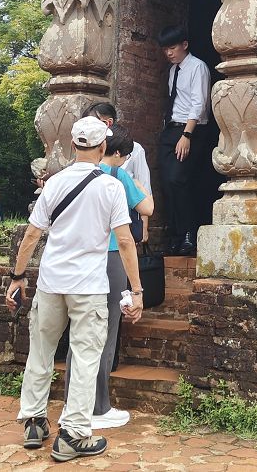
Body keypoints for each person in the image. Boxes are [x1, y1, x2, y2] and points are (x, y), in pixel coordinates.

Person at [6, 116, 144, 462]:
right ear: (102, 147)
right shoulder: (110, 187)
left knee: (41, 350)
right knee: (84, 358)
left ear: (72, 145)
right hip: (89, 286)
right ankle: (74, 434)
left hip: (52, 282)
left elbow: (32, 235)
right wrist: (137, 290)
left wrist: (18, 276)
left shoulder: (54, 184)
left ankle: (34, 421)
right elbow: (125, 242)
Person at [83, 126, 152, 430]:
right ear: (121, 154)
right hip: (111, 254)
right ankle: (99, 405)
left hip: (81, 256)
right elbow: (147, 207)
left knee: (80, 331)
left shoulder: (76, 172)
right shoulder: (116, 175)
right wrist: (137, 182)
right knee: (107, 330)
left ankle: (78, 403)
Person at [156, 24, 212, 256]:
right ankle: (177, 235)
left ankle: (189, 233)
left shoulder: (197, 67)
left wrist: (186, 135)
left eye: (172, 47)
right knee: (166, 183)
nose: (168, 53)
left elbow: (198, 103)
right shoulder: (173, 70)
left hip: (191, 131)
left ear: (184, 45)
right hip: (171, 130)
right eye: (165, 49)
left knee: (179, 179)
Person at [83, 102, 151, 196]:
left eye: (91, 124)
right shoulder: (87, 146)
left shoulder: (135, 149)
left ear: (108, 123)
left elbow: (144, 185)